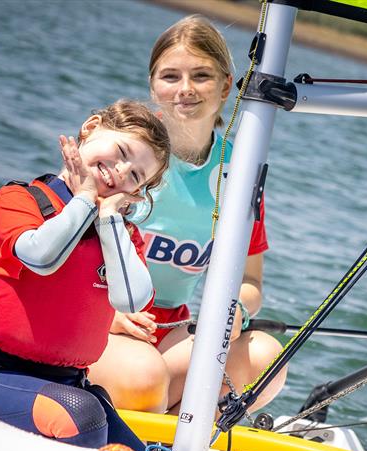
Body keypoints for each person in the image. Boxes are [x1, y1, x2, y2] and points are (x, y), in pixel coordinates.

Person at [89, 16, 286, 415]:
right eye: (170, 76)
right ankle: (143, 403)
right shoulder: (123, 153)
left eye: (201, 76)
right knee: (144, 380)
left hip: (172, 334)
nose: (185, 90)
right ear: (152, 85)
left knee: (267, 359)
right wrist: (107, 316)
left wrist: (237, 312)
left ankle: (171, 450)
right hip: (99, 322)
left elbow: (250, 281)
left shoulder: (240, 169)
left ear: (227, 85)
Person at [0, 100, 170, 451]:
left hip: (71, 385)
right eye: (122, 151)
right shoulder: (19, 200)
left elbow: (131, 299)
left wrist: (111, 220)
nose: (120, 171)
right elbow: (41, 257)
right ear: (91, 127)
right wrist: (84, 198)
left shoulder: (122, 236)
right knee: (82, 417)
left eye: (134, 176)